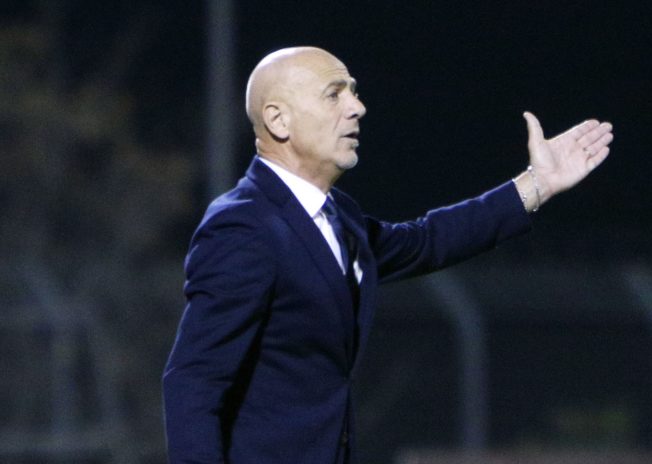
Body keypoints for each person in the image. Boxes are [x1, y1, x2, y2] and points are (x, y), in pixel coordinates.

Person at [162, 46, 613, 463]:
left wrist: (537, 184)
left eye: (353, 92)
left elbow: (425, 241)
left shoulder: (338, 215)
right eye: (334, 94)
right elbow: (194, 378)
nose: (357, 107)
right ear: (279, 120)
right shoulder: (243, 228)